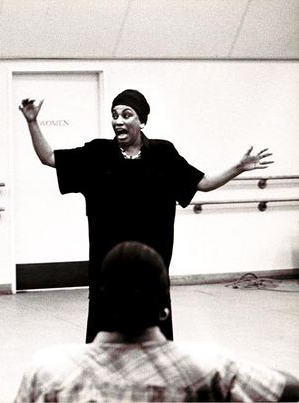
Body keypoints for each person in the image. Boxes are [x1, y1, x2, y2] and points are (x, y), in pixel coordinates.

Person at [19, 89, 274, 343]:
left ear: (141, 121)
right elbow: (50, 158)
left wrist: (238, 167)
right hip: (108, 270)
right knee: (105, 345)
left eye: (126, 114)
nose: (118, 120)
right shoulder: (96, 154)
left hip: (152, 269)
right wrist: (32, 122)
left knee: (155, 344)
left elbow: (203, 182)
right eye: (114, 115)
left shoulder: (163, 155)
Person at [14, 241, 299, 402]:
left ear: (102, 305)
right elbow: (285, 388)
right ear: (164, 310)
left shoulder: (49, 373)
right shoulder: (210, 367)